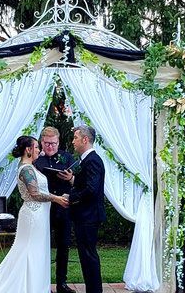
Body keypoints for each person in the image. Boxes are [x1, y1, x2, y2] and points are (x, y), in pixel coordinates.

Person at [0, 135, 68, 293]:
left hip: (39, 215)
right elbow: (34, 194)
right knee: (29, 250)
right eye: (36, 147)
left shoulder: (30, 166)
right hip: (33, 215)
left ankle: (36, 286)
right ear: (28, 149)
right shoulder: (26, 169)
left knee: (36, 250)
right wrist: (56, 198)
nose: (39, 150)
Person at [60, 125, 106, 293]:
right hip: (85, 216)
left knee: (89, 258)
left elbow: (92, 189)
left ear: (85, 140)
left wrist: (71, 198)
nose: (73, 142)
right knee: (86, 258)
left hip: (88, 217)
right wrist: (73, 182)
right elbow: (86, 185)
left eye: (76, 138)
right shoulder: (87, 160)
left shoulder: (92, 160)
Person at [35, 127, 76, 293]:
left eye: (53, 143)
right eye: (46, 143)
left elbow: (80, 183)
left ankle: (62, 284)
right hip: (43, 208)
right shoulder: (36, 160)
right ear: (41, 142)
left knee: (63, 246)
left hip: (63, 208)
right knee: (41, 246)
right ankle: (41, 284)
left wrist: (71, 178)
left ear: (58, 142)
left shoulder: (67, 158)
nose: (50, 146)